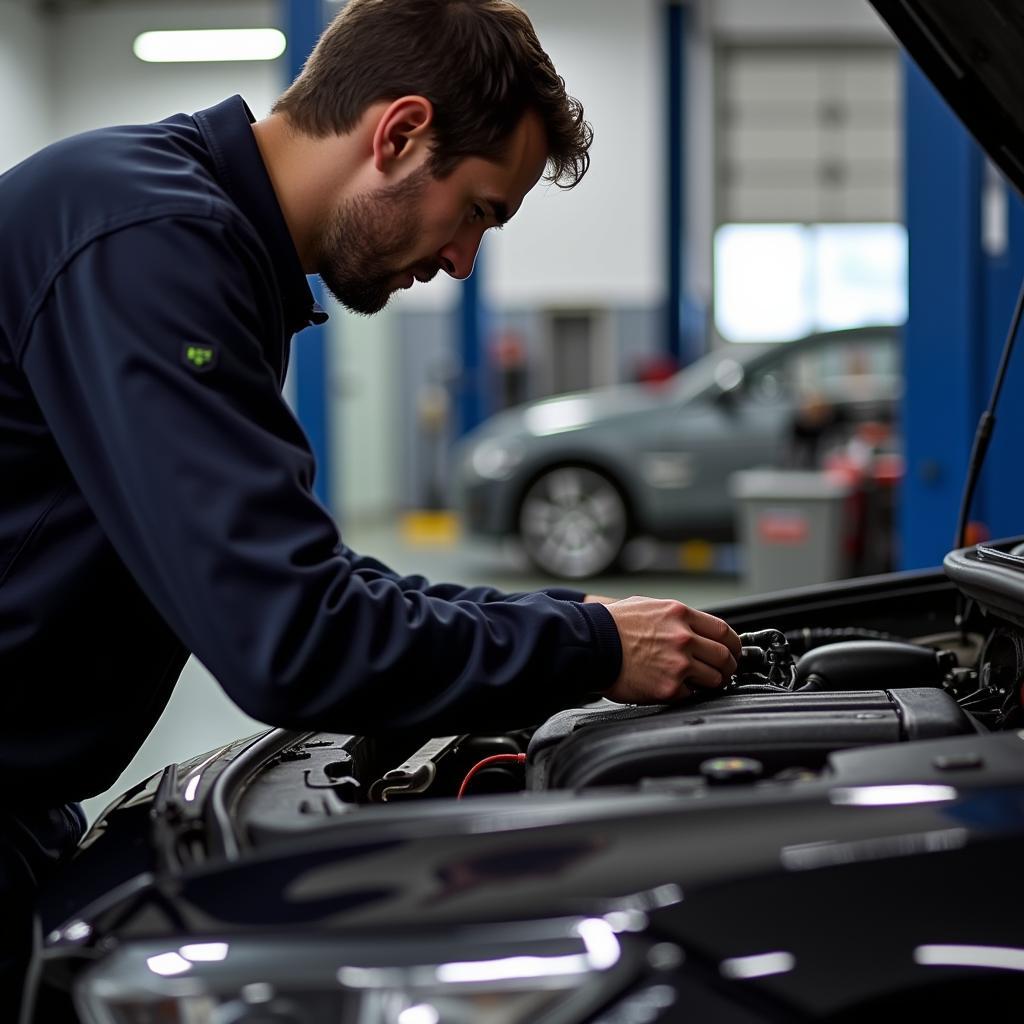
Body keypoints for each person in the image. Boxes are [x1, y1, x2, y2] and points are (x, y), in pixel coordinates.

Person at [0, 0, 740, 1013]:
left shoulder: (194, 239)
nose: (462, 261)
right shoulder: (150, 241)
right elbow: (290, 634)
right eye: (479, 209)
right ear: (398, 134)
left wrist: (583, 623)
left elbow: (309, 578)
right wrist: (584, 647)